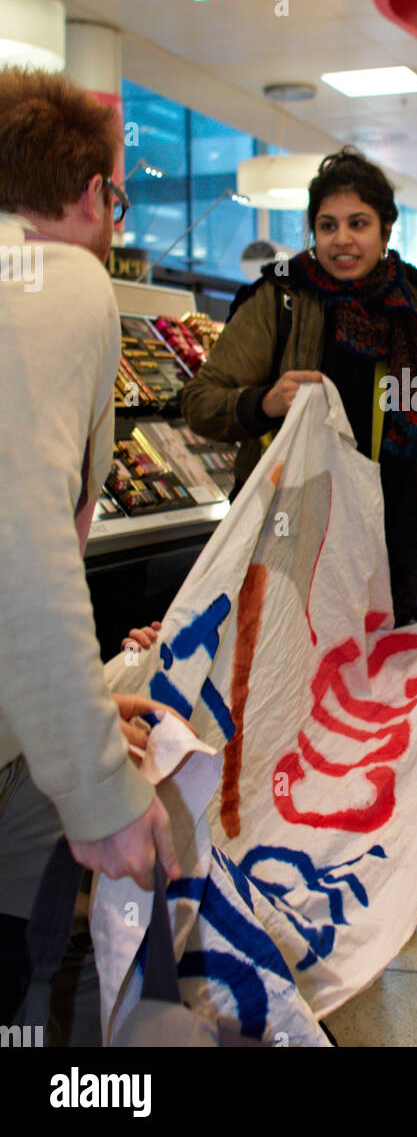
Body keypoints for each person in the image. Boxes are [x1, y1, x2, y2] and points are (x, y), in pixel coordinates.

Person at [0, 67, 182, 1031]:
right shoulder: (59, 275)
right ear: (89, 194)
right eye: (117, 198)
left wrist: (72, 706)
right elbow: (17, 540)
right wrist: (96, 785)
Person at [182, 147, 417, 626]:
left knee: (388, 696)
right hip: (288, 553)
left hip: (397, 554)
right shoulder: (279, 300)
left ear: (386, 230)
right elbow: (200, 403)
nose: (342, 240)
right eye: (328, 226)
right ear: (312, 232)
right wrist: (264, 402)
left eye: (358, 223)